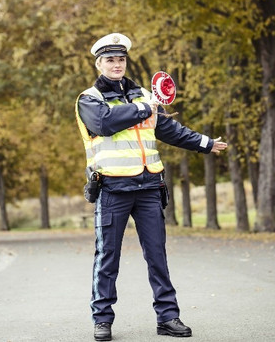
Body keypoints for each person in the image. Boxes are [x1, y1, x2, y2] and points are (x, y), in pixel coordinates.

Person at [75, 33, 228, 341]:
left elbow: (168, 130)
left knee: (157, 255)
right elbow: (105, 123)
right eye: (110, 60)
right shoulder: (89, 98)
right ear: (99, 64)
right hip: (113, 188)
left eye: (121, 59)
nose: (116, 65)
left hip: (148, 187)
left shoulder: (144, 93)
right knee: (108, 257)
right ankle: (102, 319)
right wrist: (146, 108)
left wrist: (204, 143)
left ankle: (168, 317)